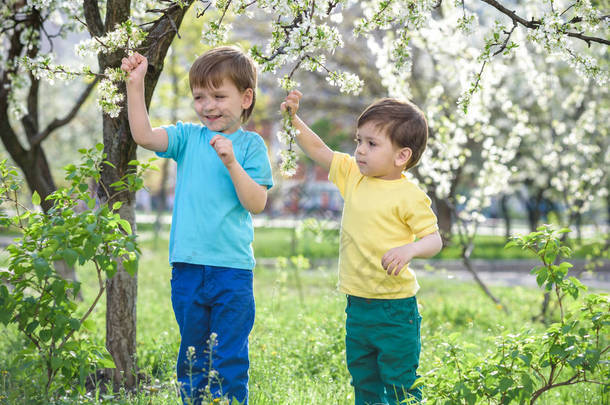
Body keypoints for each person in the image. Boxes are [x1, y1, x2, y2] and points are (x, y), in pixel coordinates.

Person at [121, 46, 273, 405]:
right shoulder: (188, 137)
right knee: (191, 359)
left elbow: (256, 203)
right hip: (187, 268)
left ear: (246, 97)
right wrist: (134, 84)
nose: (208, 106)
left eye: (219, 96)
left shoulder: (251, 146)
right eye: (200, 97)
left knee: (228, 359)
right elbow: (143, 136)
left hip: (232, 271)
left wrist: (232, 162)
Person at [281, 90, 443, 404]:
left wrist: (409, 250)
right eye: (359, 141)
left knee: (400, 382)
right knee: (364, 378)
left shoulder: (409, 195)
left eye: (371, 143)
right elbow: (319, 149)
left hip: (396, 309)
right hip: (358, 304)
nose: (360, 151)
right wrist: (293, 119)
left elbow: (433, 239)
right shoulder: (354, 176)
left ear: (401, 156)